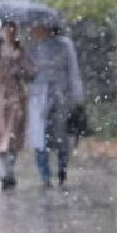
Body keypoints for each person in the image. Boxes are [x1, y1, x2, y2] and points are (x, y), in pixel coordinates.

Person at [25, 22, 84, 187]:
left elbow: (73, 71)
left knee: (62, 136)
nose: (32, 29)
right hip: (39, 98)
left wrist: (77, 95)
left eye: (36, 27)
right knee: (40, 139)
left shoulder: (65, 45)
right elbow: (26, 74)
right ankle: (45, 176)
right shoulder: (31, 48)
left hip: (61, 96)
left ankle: (62, 171)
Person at [0, 20, 35, 190]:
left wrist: (19, 68)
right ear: (1, 33)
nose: (9, 34)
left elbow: (31, 74)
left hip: (16, 100)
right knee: (0, 137)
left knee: (13, 138)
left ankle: (9, 171)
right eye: (6, 31)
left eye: (12, 31)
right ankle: (5, 172)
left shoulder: (22, 53)